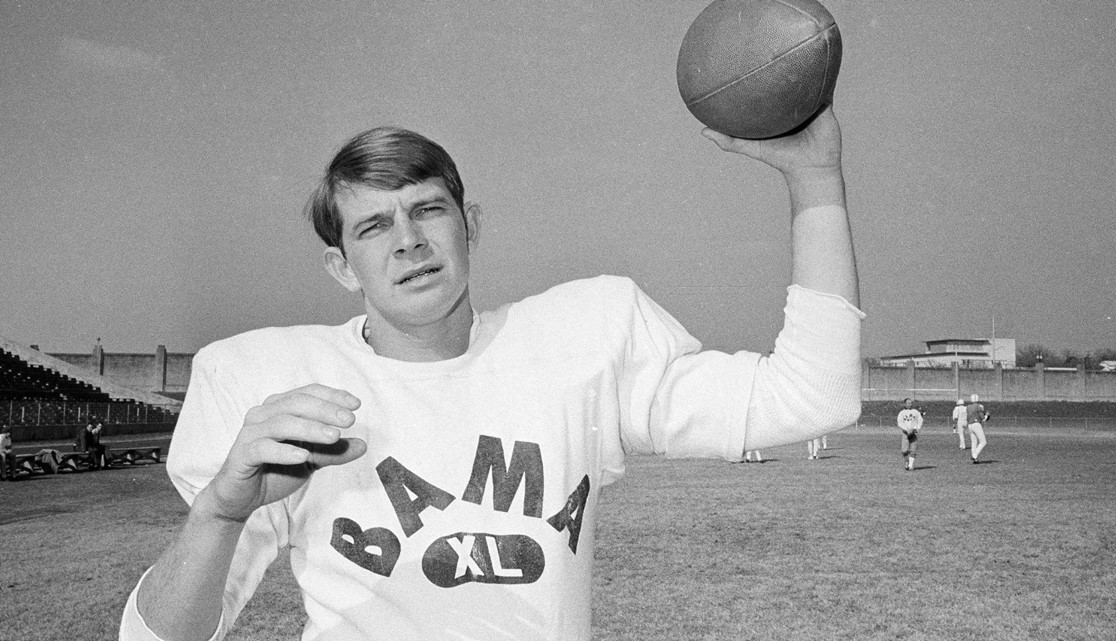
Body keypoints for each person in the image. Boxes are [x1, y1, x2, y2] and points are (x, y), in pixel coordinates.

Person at [120, 106, 863, 641]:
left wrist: (814, 178)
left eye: (428, 210)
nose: (408, 241)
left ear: (469, 225)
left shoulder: (581, 338)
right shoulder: (276, 384)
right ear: (341, 267)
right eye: (375, 226)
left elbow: (812, 396)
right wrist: (221, 509)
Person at [896, 398, 923, 471]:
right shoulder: (902, 413)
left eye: (911, 403)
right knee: (904, 451)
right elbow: (899, 423)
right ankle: (906, 461)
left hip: (914, 432)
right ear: (905, 404)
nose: (910, 404)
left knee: (913, 450)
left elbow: (920, 420)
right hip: (905, 433)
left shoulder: (915, 412)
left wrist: (917, 428)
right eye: (908, 403)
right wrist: (907, 430)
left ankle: (911, 465)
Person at [965, 393, 989, 464]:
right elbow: (983, 418)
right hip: (976, 424)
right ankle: (974, 455)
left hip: (970, 425)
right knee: (983, 441)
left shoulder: (968, 407)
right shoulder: (979, 406)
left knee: (974, 442)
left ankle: (975, 459)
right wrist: (987, 415)